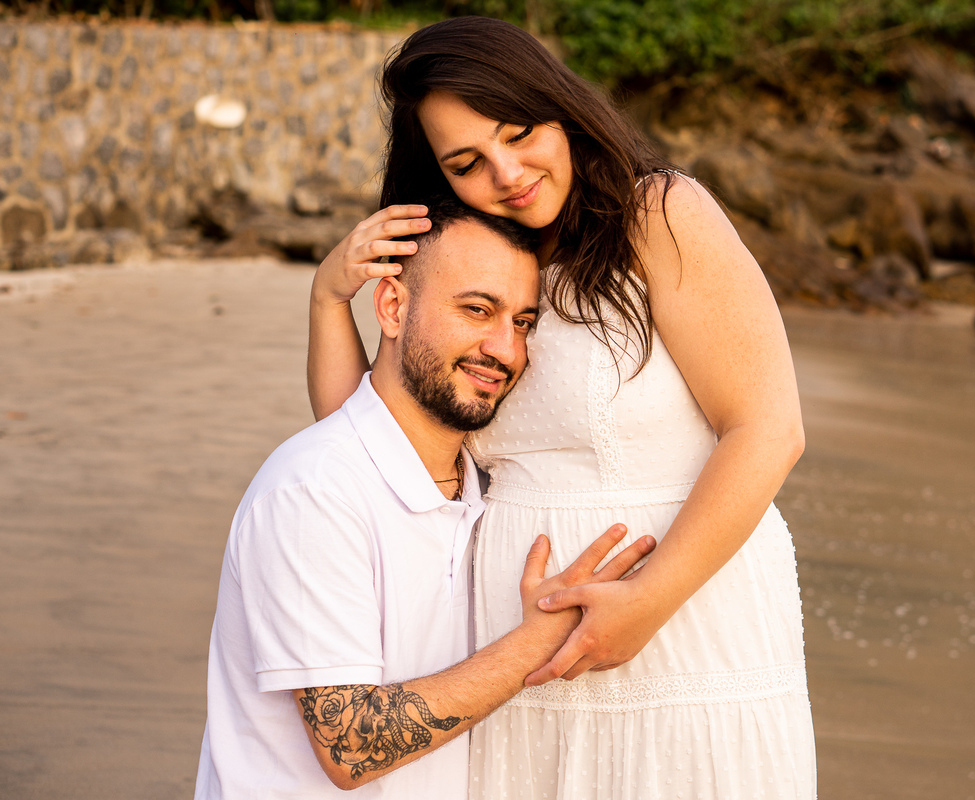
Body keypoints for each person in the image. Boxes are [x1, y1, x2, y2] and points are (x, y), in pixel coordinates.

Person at [308, 16, 816, 799]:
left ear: (562, 108)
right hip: (511, 649)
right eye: (468, 163)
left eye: (520, 132)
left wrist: (647, 604)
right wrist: (327, 297)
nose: (508, 172)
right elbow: (367, 447)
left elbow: (768, 429)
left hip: (686, 624)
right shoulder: (474, 269)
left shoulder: (658, 214)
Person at [194, 198, 656, 800]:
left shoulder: (485, 487)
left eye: (521, 322)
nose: (505, 350)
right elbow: (351, 744)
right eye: (476, 309)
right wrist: (541, 639)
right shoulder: (312, 492)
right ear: (391, 305)